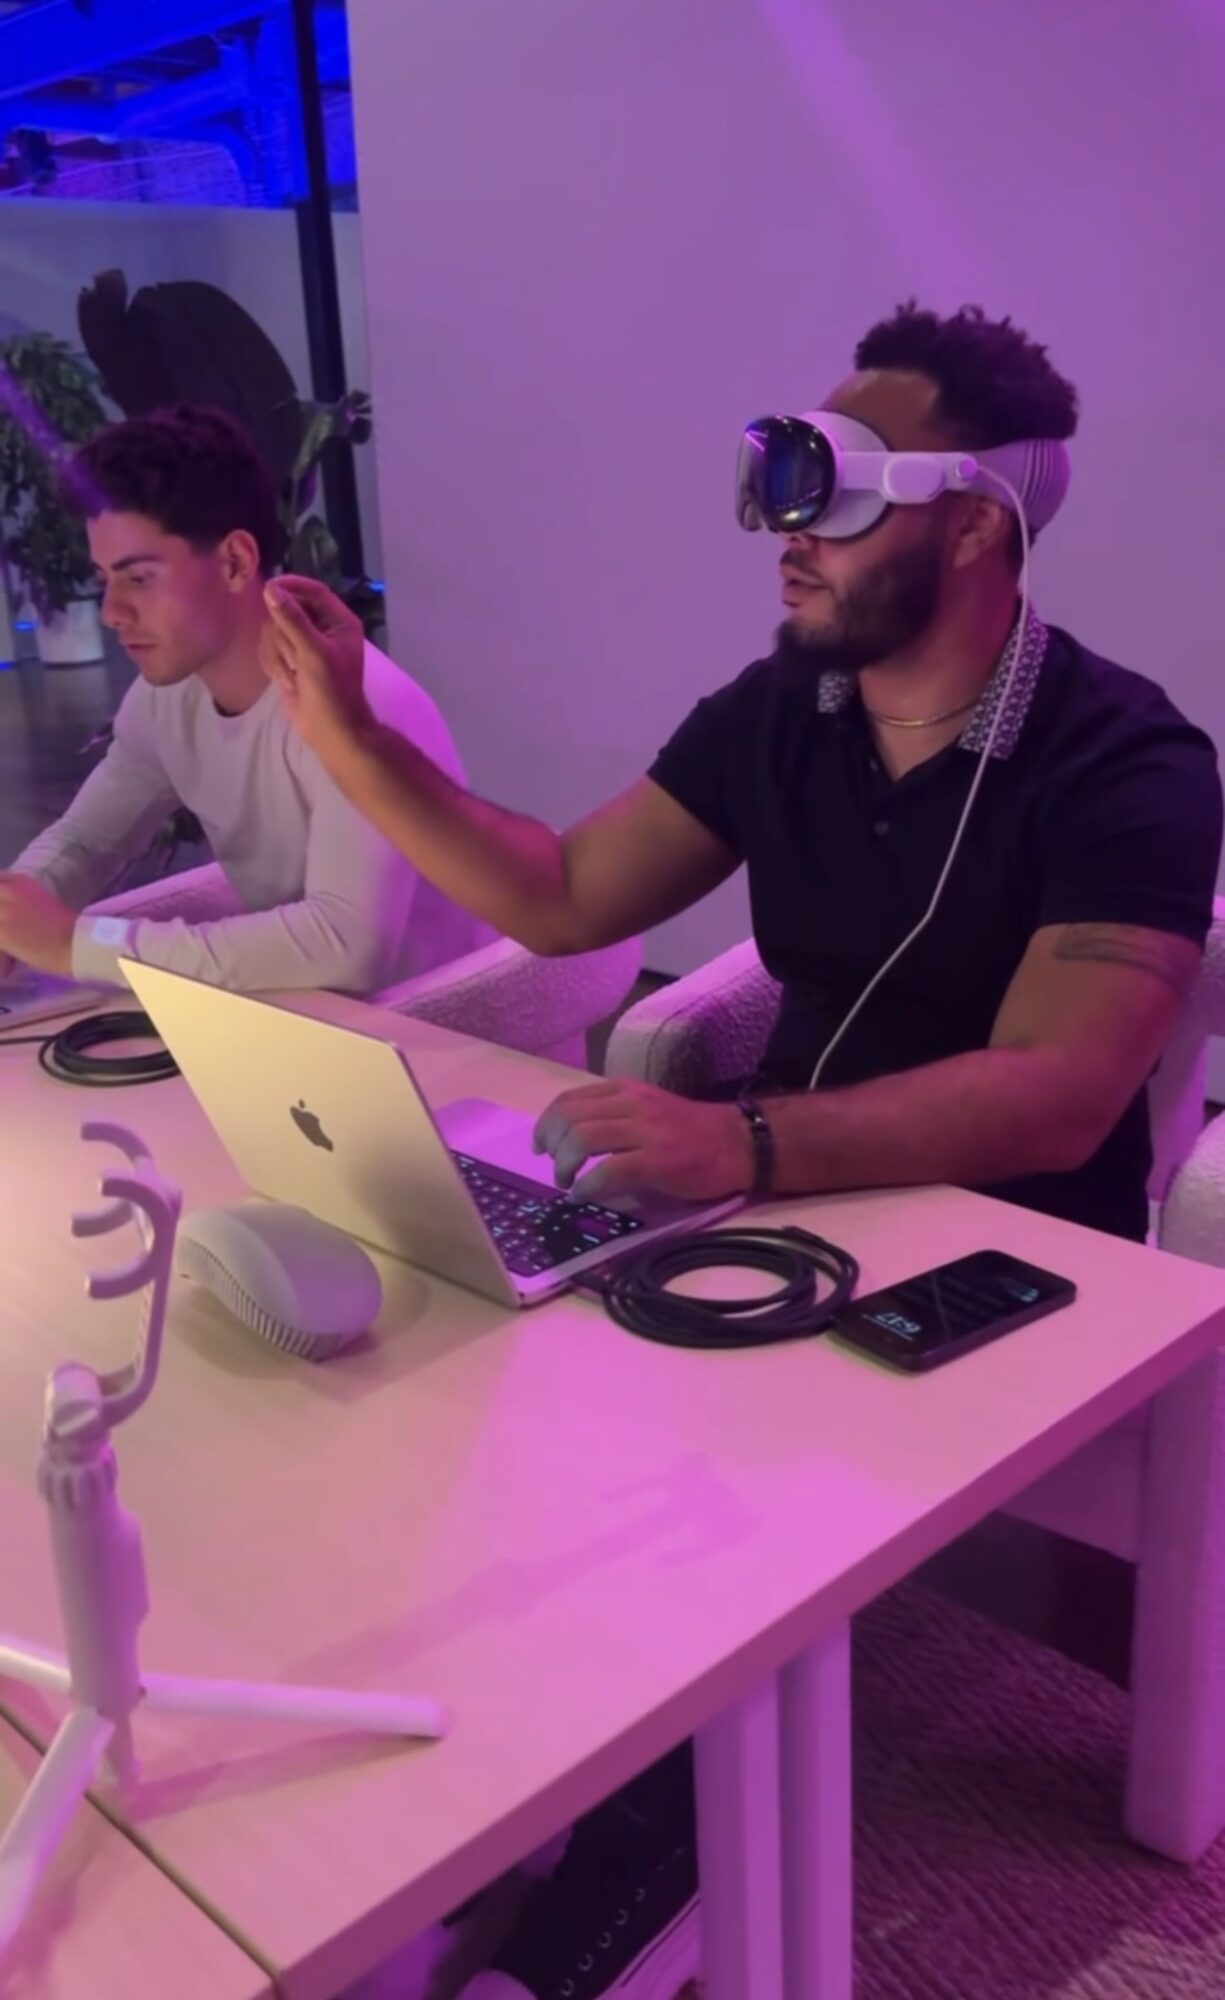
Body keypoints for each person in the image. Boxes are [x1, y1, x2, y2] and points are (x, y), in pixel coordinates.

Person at [270, 304, 1222, 1998]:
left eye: (828, 492)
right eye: (776, 483)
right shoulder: (788, 708)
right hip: (775, 1203)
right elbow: (567, 891)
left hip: (1014, 1262)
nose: (783, 531)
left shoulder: (1127, 761)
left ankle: (594, 1927)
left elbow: (1062, 1093)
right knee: (462, 1407)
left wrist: (744, 1144)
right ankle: (477, 1807)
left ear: (973, 522)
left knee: (692, 1554)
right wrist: (351, 734)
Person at [0, 405, 484, 995]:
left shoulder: (358, 702)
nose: (112, 612)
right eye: (106, 579)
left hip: (427, 1021)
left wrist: (75, 945)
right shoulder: (164, 699)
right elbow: (87, 840)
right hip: (294, 1014)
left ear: (235, 562)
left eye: (139, 578)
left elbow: (345, 946)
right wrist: (14, 916)